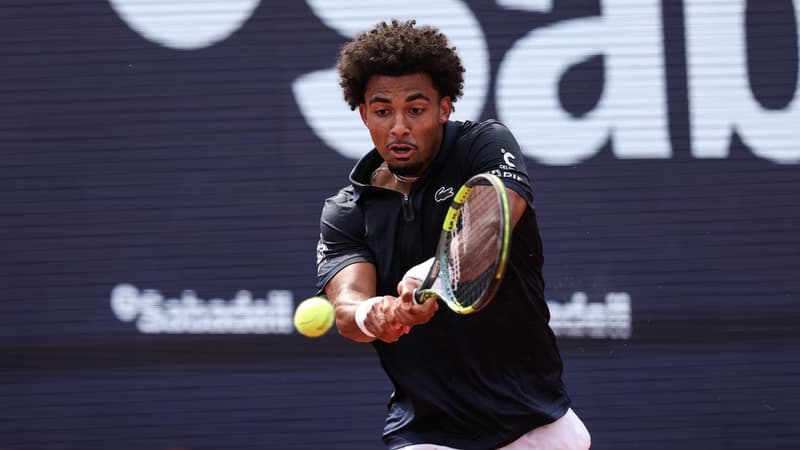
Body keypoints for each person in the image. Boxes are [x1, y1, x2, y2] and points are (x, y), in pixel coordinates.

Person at [315, 19, 591, 450]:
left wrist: (430, 275)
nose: (399, 127)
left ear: (444, 108)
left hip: (535, 422)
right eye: (383, 111)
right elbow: (347, 309)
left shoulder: (483, 145)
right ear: (365, 114)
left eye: (416, 109)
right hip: (426, 431)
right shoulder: (346, 211)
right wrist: (376, 313)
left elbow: (495, 220)